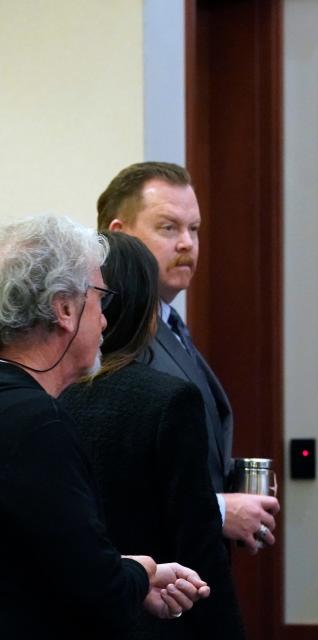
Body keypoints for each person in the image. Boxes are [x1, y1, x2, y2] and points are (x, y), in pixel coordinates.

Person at [0, 215, 210, 638]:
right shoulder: (38, 425)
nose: (105, 321)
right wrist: (142, 570)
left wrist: (130, 579)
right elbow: (94, 587)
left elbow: (49, 559)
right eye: (99, 298)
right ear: (64, 309)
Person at [60, 233, 245, 639]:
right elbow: (199, 546)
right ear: (149, 312)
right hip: (158, 614)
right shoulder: (168, 400)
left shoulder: (50, 393)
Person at [96, 162, 280, 551]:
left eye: (194, 229)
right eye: (168, 228)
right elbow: (112, 476)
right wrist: (216, 508)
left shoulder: (171, 324)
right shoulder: (105, 333)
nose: (187, 244)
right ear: (120, 234)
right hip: (148, 580)